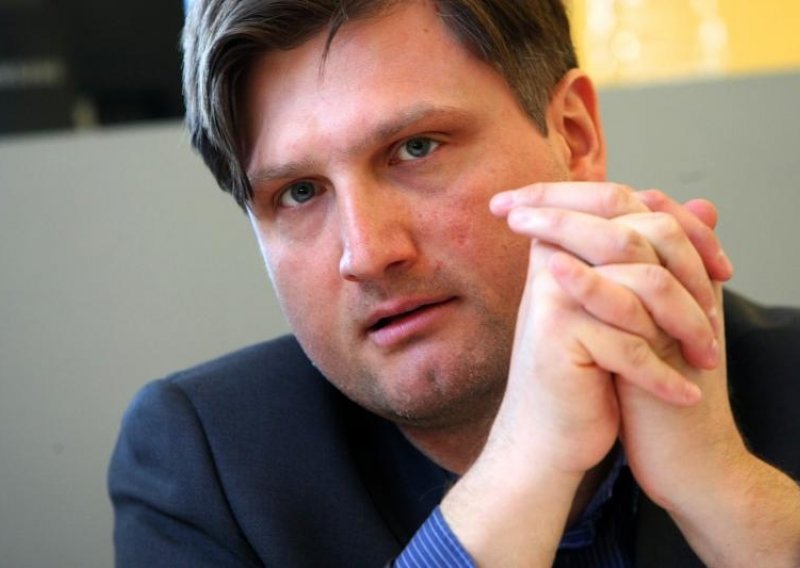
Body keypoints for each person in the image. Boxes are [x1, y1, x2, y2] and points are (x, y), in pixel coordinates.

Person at [108, 1, 800, 566]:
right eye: (299, 192)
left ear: (574, 134)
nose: (367, 253)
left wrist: (722, 491)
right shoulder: (203, 467)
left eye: (416, 148)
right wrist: (522, 472)